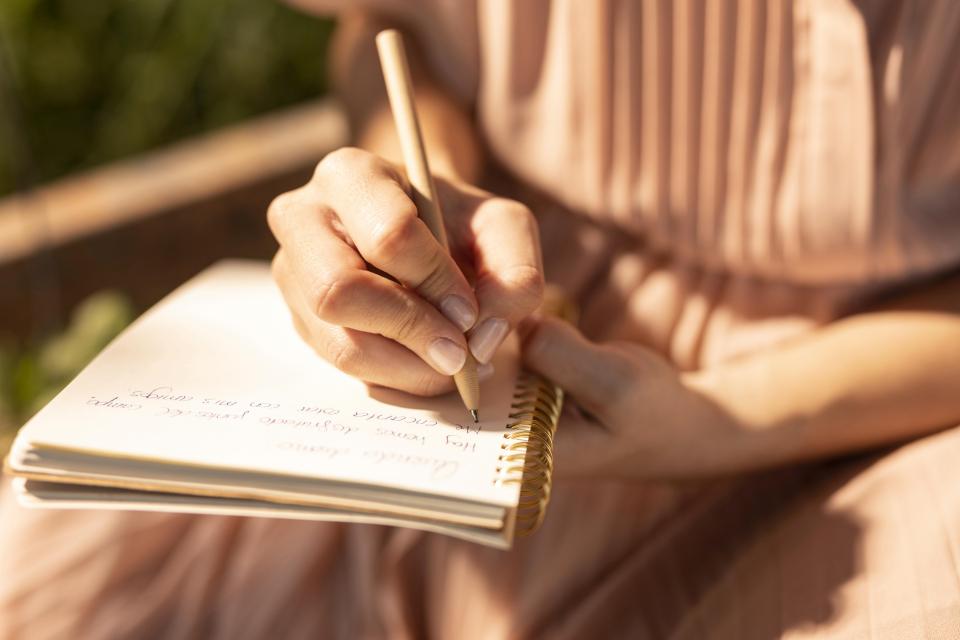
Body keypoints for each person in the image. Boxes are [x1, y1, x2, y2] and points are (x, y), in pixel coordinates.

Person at [2, 1, 960, 637]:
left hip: (876, 400)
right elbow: (395, 35)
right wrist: (415, 189)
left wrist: (720, 419)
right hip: (513, 301)